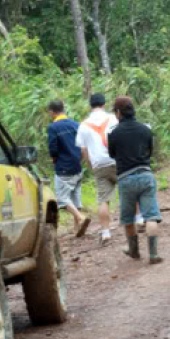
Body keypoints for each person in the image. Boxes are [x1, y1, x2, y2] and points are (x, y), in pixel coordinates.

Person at [107, 96, 163, 265]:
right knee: (151, 216)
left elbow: (112, 154)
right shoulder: (145, 129)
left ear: (118, 112)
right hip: (146, 174)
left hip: (126, 178)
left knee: (128, 219)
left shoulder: (114, 133)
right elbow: (150, 151)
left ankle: (134, 251)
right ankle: (153, 254)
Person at [75, 92, 119, 246]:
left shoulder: (83, 125)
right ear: (104, 104)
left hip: (99, 164)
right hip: (117, 160)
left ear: (90, 106)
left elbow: (83, 150)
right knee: (128, 189)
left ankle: (106, 232)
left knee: (103, 200)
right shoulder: (113, 118)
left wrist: (90, 164)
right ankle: (139, 219)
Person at [46, 99, 90, 236]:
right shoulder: (75, 124)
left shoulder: (53, 127)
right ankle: (77, 229)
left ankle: (81, 218)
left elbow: (53, 148)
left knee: (62, 199)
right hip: (77, 166)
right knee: (75, 196)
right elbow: (83, 144)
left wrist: (54, 160)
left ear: (52, 112)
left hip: (64, 167)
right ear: (63, 109)